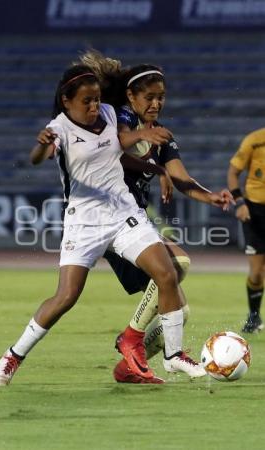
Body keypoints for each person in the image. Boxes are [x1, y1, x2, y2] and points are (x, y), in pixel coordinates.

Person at [0, 63, 205, 386]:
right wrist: (41, 143)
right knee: (66, 296)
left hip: (123, 214)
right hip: (85, 222)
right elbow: (39, 157)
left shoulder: (108, 113)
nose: (94, 107)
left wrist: (157, 168)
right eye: (86, 102)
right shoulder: (59, 128)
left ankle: (174, 357)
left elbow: (120, 149)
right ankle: (12, 356)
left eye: (96, 99)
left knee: (167, 273)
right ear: (67, 101)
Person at [78, 50, 234, 383]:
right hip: (108, 220)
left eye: (161, 97)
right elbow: (115, 149)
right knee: (178, 264)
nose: (156, 103)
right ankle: (132, 338)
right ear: (131, 96)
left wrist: (210, 195)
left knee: (177, 309)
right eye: (149, 97)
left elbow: (181, 178)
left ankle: (128, 369)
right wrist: (155, 166)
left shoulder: (160, 134)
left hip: (134, 222)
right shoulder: (118, 118)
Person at [228, 128, 265, 333]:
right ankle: (254, 317)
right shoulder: (254, 140)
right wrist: (239, 203)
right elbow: (233, 172)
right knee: (257, 273)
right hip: (255, 213)